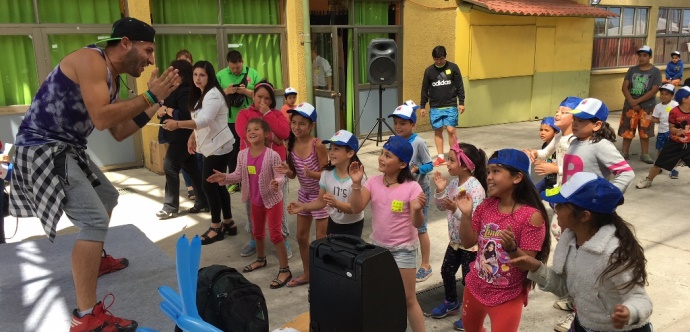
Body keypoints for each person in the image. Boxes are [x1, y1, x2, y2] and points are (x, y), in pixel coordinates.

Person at [8, 17, 181, 331]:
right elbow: (101, 118)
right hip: (42, 148)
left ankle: (96, 258)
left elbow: (118, 131)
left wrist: (154, 105)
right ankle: (84, 317)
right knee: (94, 219)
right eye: (148, 50)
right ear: (125, 43)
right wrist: (149, 97)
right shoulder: (90, 60)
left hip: (65, 147)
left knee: (107, 197)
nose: (151, 60)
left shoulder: (112, 80)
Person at [511, 172, 653, 332]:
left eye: (562, 205)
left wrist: (629, 313)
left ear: (584, 216)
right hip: (584, 325)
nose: (555, 208)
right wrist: (537, 268)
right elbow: (568, 289)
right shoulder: (569, 240)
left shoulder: (614, 253)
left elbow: (641, 299)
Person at [454, 149, 549, 332]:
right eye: (488, 171)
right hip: (475, 286)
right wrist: (466, 215)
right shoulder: (486, 206)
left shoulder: (532, 216)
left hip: (508, 296)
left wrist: (512, 248)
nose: (489, 177)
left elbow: (527, 264)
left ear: (517, 177)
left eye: (496, 171)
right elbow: (467, 243)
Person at [348, 136, 427, 332]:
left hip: (403, 251)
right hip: (377, 249)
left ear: (402, 164)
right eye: (382, 153)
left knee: (408, 299)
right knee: (379, 297)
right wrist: (356, 183)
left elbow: (417, 224)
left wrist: (416, 210)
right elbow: (356, 207)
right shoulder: (374, 182)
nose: (381, 158)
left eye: (388, 155)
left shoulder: (412, 187)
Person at [207, 118, 292, 289]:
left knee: (276, 234)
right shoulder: (242, 154)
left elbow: (281, 175)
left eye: (257, 129)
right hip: (255, 200)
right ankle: (261, 259)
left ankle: (285, 270)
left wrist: (277, 182)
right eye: (249, 130)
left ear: (266, 134)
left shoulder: (272, 155)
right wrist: (225, 177)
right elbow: (238, 175)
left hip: (272, 200)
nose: (252, 132)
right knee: (257, 232)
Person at [163, 60, 236, 245]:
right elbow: (200, 121)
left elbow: (204, 121)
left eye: (202, 75)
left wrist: (177, 124)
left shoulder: (212, 95)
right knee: (218, 185)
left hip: (219, 147)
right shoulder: (201, 94)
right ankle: (228, 222)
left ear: (209, 76)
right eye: (195, 75)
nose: (197, 78)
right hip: (213, 145)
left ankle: (216, 226)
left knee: (208, 185)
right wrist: (192, 137)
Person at [429, 141, 487, 328]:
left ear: (465, 165)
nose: (447, 163)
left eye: (452, 160)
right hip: (454, 241)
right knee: (446, 271)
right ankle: (451, 302)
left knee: (469, 280)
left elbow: (473, 219)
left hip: (471, 244)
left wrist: (455, 209)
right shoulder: (453, 183)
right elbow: (440, 207)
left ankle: (470, 313)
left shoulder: (476, 188)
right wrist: (440, 191)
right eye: (448, 159)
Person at [234, 80, 292, 258]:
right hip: (251, 167)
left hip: (275, 166)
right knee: (252, 205)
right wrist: (273, 138)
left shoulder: (276, 114)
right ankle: (254, 239)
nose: (262, 101)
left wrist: (267, 115)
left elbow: (285, 132)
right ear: (253, 96)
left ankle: (283, 238)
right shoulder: (244, 114)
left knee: (278, 203)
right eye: (259, 97)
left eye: (267, 99)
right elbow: (246, 134)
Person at [275, 102, 328, 287]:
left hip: (321, 197)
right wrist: (286, 170)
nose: (297, 127)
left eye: (302, 123)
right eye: (294, 122)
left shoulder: (318, 145)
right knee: (301, 236)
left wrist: (313, 174)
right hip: (304, 194)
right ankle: (307, 273)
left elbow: (328, 174)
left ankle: (322, 274)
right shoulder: (290, 143)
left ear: (311, 125)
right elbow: (294, 174)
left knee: (321, 240)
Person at [388, 101, 435, 283]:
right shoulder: (394, 141)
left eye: (403, 123)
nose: (398, 127)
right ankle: (403, 263)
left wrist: (416, 170)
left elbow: (429, 164)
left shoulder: (419, 142)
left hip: (419, 191)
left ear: (413, 124)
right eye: (396, 123)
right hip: (400, 192)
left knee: (420, 228)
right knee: (403, 225)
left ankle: (425, 265)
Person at [287, 130, 365, 237]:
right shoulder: (326, 175)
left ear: (350, 153)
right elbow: (321, 202)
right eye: (330, 148)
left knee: (348, 253)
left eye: (336, 149)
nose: (331, 153)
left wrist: (336, 203)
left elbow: (355, 209)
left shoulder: (358, 178)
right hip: (333, 222)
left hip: (353, 225)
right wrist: (303, 206)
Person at [156, 59, 208, 219]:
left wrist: (167, 110)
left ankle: (170, 207)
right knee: (192, 169)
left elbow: (186, 115)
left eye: (174, 74)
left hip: (183, 136)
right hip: (177, 136)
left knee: (169, 167)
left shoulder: (186, 91)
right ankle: (204, 202)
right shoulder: (175, 89)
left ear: (181, 75)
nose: (170, 77)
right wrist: (161, 110)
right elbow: (167, 109)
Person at [564, 98, 635, 193]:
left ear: (597, 125)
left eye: (580, 121)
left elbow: (627, 173)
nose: (575, 124)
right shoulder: (574, 142)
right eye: (574, 119)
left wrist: (608, 196)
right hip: (570, 202)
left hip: (589, 205)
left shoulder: (601, 145)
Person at [216, 50, 261, 192]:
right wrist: (227, 91)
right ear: (228, 65)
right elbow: (213, 97)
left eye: (238, 68)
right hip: (230, 120)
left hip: (251, 120)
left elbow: (263, 95)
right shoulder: (221, 75)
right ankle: (235, 181)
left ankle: (253, 178)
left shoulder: (252, 74)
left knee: (252, 148)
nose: (235, 71)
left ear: (242, 62)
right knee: (233, 150)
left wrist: (246, 91)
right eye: (232, 68)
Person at [419, 45, 466, 167]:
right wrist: (423, 106)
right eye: (436, 59)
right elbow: (424, 89)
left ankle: (454, 153)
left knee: (451, 130)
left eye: (441, 59)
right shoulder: (429, 71)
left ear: (445, 56)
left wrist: (461, 102)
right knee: (438, 130)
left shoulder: (453, 68)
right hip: (435, 106)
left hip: (450, 104)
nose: (439, 61)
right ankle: (440, 157)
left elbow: (460, 86)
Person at [636, 86, 690, 189]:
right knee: (659, 163)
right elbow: (671, 127)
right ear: (685, 99)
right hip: (675, 144)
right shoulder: (675, 112)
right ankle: (648, 180)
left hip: (689, 144)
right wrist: (677, 131)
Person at [619, 45, 662, 164]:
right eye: (640, 55)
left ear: (650, 57)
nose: (642, 58)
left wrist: (637, 102)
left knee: (645, 132)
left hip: (646, 107)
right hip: (630, 106)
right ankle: (624, 152)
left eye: (645, 55)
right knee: (627, 130)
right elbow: (624, 87)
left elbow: (654, 90)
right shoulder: (632, 70)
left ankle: (645, 154)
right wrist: (632, 102)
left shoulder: (655, 72)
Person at [174, 48, 199, 199]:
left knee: (195, 158)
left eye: (186, 61)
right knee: (184, 160)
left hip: (195, 123)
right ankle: (190, 187)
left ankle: (199, 189)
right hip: (178, 126)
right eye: (180, 62)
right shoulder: (173, 83)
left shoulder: (196, 81)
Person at [650, 84, 680, 179]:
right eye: (662, 93)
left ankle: (674, 169)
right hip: (662, 132)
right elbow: (657, 120)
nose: (663, 96)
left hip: (671, 131)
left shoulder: (675, 105)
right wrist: (651, 118)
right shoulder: (658, 106)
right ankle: (659, 166)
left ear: (672, 96)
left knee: (673, 151)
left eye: (666, 94)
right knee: (660, 150)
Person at [533, 116, 560, 193]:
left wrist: (546, 164)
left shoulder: (559, 148)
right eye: (541, 130)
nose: (542, 133)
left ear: (556, 133)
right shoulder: (545, 145)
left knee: (553, 203)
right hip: (548, 179)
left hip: (556, 181)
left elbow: (563, 165)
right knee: (533, 194)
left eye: (546, 130)